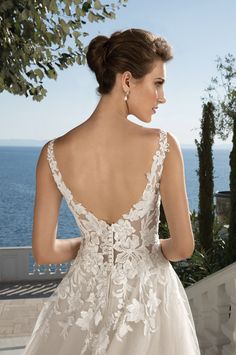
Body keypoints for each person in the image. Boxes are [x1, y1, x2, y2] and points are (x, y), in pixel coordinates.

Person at [23, 28, 201, 355]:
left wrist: (93, 246)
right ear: (128, 80)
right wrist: (141, 248)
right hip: (148, 304)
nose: (162, 97)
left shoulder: (51, 154)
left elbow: (44, 253)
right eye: (158, 84)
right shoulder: (163, 145)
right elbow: (183, 247)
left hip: (81, 303)